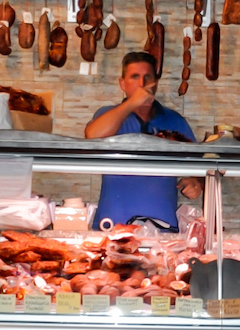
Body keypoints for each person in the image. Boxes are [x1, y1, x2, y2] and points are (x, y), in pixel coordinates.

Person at [84, 50, 201, 229]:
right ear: (122, 84)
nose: (142, 83)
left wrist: (197, 182)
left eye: (147, 77)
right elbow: (92, 136)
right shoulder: (108, 115)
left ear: (156, 83)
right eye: (134, 77)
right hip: (112, 226)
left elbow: (201, 166)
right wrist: (132, 103)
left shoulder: (175, 121)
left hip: (164, 229)